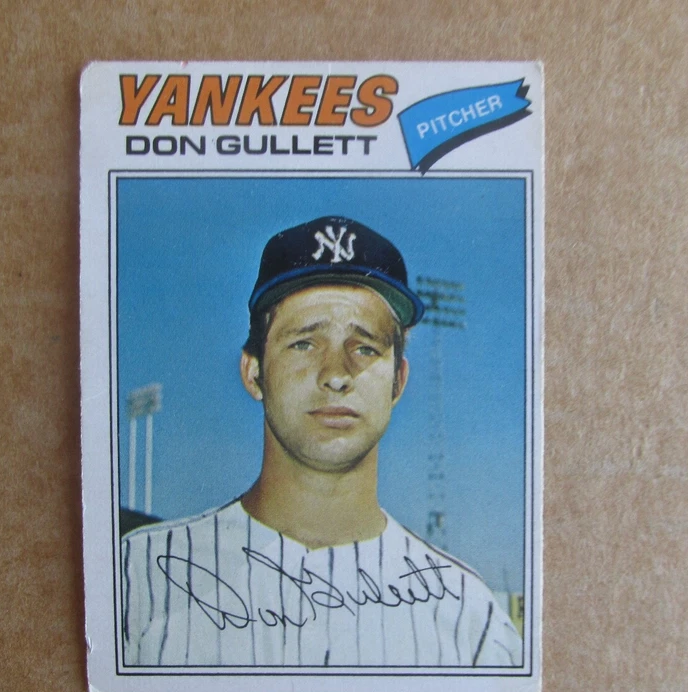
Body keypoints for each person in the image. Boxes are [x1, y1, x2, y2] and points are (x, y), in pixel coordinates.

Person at [121, 216, 522, 668]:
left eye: (365, 348)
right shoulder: (137, 576)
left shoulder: (471, 623)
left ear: (398, 381)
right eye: (304, 344)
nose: (336, 374)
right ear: (254, 372)